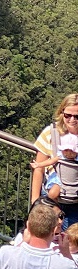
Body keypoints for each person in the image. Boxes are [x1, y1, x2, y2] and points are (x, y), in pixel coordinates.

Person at [31, 95, 78, 228]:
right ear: (61, 113)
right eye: (68, 115)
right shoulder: (51, 133)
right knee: (45, 236)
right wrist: (35, 202)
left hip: (75, 201)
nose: (72, 120)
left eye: (77, 116)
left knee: (71, 244)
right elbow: (39, 169)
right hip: (52, 198)